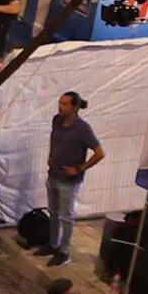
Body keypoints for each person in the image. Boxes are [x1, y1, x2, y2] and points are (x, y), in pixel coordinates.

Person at [44, 91, 101, 266]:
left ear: (74, 107)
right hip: (53, 174)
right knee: (53, 212)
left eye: (65, 104)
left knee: (66, 216)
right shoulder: (56, 121)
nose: (60, 106)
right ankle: (53, 244)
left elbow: (99, 153)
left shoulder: (82, 129)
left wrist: (78, 169)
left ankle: (64, 251)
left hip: (68, 181)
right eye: (60, 103)